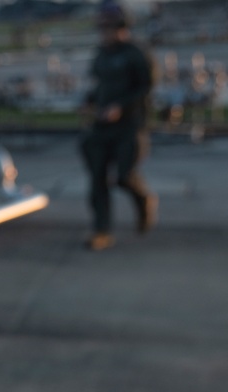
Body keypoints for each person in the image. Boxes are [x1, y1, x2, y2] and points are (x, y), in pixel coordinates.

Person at [79, 1, 158, 252]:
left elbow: (145, 87)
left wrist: (121, 107)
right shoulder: (102, 54)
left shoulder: (136, 54)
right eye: (102, 28)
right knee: (97, 179)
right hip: (102, 127)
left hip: (130, 127)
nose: (106, 33)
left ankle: (144, 200)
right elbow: (101, 86)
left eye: (110, 27)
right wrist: (89, 101)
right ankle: (101, 230)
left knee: (124, 177)